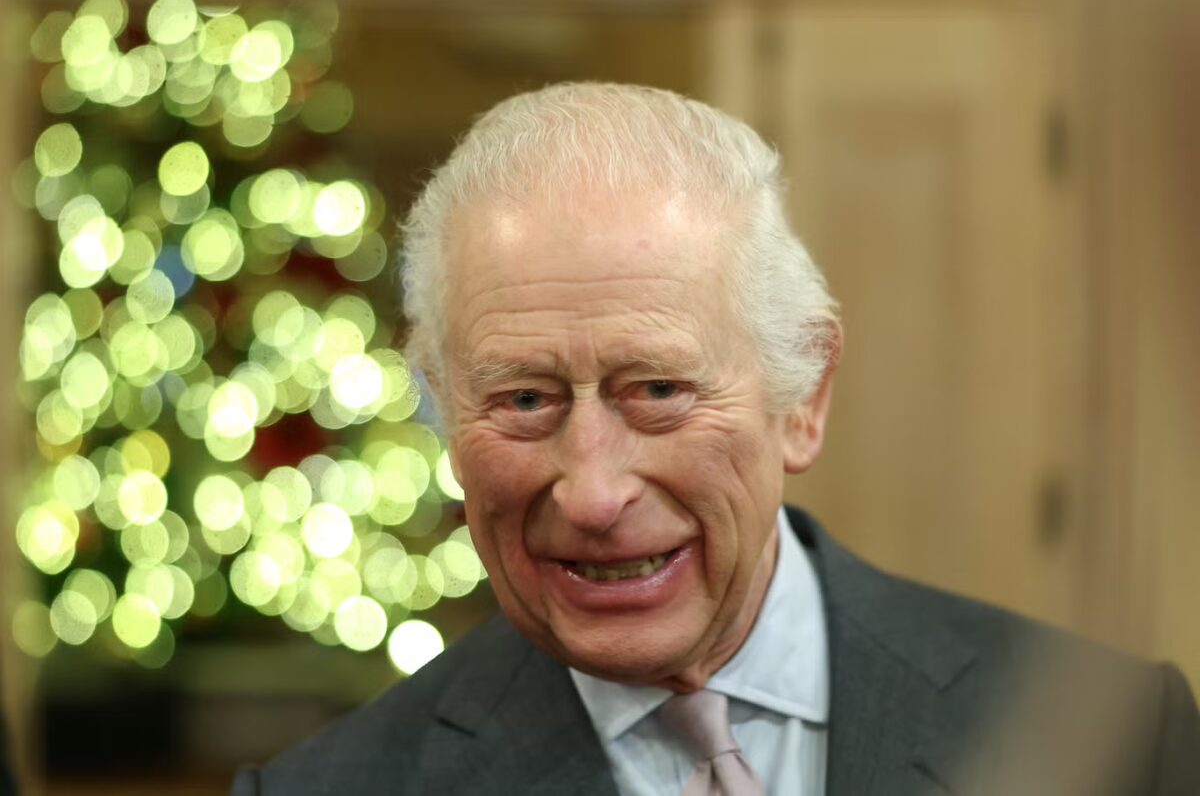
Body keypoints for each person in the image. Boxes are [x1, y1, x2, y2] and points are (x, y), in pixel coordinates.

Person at [232, 83, 1199, 795]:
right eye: (525, 399)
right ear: (444, 409)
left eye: (657, 390)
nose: (593, 492)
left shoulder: (1115, 742)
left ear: (803, 397)